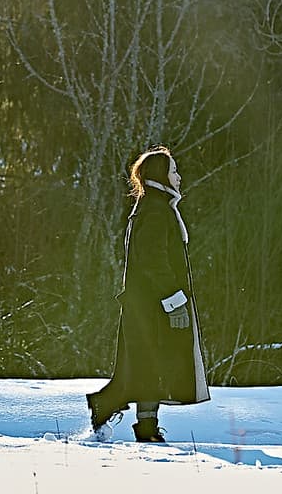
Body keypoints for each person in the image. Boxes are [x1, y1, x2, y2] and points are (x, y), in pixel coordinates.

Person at [87, 146, 209, 442]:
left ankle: (145, 427)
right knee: (148, 365)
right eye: (174, 171)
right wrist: (174, 302)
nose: (179, 177)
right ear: (161, 175)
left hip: (147, 305)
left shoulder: (153, 207)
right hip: (152, 306)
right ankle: (118, 412)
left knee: (148, 365)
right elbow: (154, 261)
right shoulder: (155, 210)